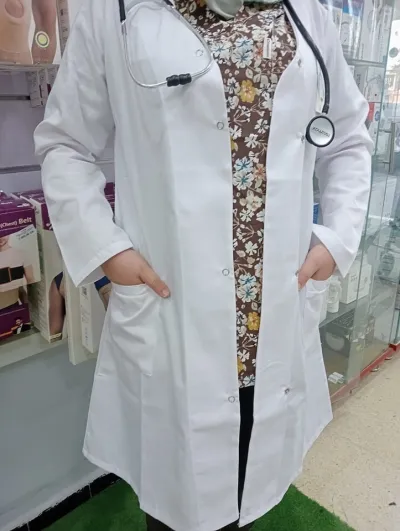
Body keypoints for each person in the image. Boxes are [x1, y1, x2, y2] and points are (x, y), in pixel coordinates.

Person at [34, 0, 372, 529]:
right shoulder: (112, 11)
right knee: (178, 505)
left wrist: (337, 238)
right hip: (175, 319)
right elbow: (65, 144)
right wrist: (105, 249)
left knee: (249, 487)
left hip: (271, 322)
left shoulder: (306, 13)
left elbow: (348, 138)